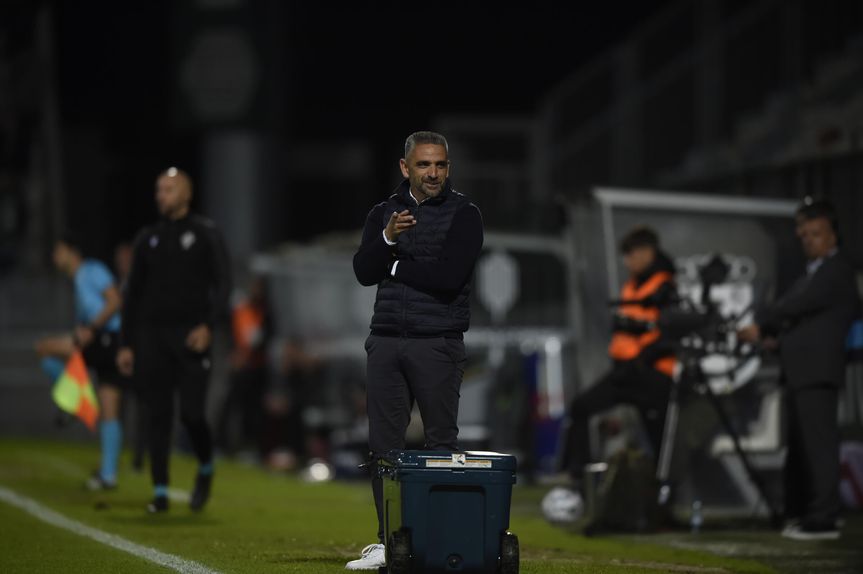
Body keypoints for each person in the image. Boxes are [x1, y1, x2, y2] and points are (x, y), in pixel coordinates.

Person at [346, 131, 483, 570]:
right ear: (405, 167)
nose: (433, 173)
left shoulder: (466, 214)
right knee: (384, 448)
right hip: (385, 339)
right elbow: (363, 271)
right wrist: (386, 239)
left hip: (437, 342)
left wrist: (396, 264)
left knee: (441, 444)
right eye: (424, 165)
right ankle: (389, 542)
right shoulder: (383, 213)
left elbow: (448, 277)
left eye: (440, 165)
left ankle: (440, 543)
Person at [738, 198, 860, 540]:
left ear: (833, 234)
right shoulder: (813, 272)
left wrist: (761, 325)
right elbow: (801, 313)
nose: (808, 239)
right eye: (803, 234)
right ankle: (804, 512)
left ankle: (824, 518)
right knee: (802, 448)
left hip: (817, 370)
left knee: (819, 446)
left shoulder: (837, 268)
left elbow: (797, 305)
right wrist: (776, 338)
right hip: (799, 369)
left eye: (816, 233)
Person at [116, 167, 231, 514]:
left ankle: (205, 468)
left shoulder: (205, 233)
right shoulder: (147, 238)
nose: (160, 195)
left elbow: (223, 285)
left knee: (193, 415)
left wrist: (208, 325)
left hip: (192, 337)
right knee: (157, 414)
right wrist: (126, 343)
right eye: (158, 189)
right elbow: (132, 295)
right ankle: (161, 492)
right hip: (152, 338)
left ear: (186, 193)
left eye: (168, 189)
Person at [557, 227, 678, 499]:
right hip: (626, 371)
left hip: (652, 374)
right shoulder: (633, 284)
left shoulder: (665, 285)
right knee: (581, 406)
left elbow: (667, 332)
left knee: (660, 437)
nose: (627, 261)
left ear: (648, 252)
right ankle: (579, 477)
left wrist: (642, 358)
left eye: (631, 254)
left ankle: (664, 495)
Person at [34, 232, 125, 490]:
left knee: (45, 348)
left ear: (72, 252)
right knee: (109, 407)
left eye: (58, 251)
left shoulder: (91, 269)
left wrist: (92, 329)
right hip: (107, 340)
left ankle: (74, 402)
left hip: (105, 338)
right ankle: (108, 475)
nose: (54, 257)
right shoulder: (77, 280)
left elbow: (115, 299)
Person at [215, 275, 272, 457]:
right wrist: (234, 356)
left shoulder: (265, 313)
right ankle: (222, 445)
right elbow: (231, 333)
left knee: (252, 411)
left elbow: (262, 339)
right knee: (229, 406)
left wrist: (246, 356)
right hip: (240, 368)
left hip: (256, 369)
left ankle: (249, 448)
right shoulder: (241, 309)